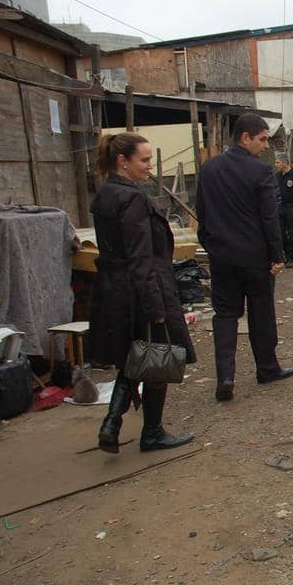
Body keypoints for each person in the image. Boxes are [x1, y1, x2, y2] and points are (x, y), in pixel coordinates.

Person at [89, 132, 195, 454]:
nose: (149, 167)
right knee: (156, 358)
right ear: (124, 161)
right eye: (144, 160)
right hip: (139, 291)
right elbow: (140, 257)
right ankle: (151, 432)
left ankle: (112, 422)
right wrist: (156, 306)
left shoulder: (106, 193)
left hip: (114, 291)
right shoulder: (131, 198)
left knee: (134, 356)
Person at [196, 113, 293, 402]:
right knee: (261, 312)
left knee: (225, 315)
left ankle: (225, 376)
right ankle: (267, 367)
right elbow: (269, 217)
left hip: (222, 257)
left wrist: (211, 243)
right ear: (245, 138)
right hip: (255, 258)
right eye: (262, 139)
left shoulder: (209, 168)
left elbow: (201, 213)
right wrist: (277, 255)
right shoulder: (260, 171)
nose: (265, 146)